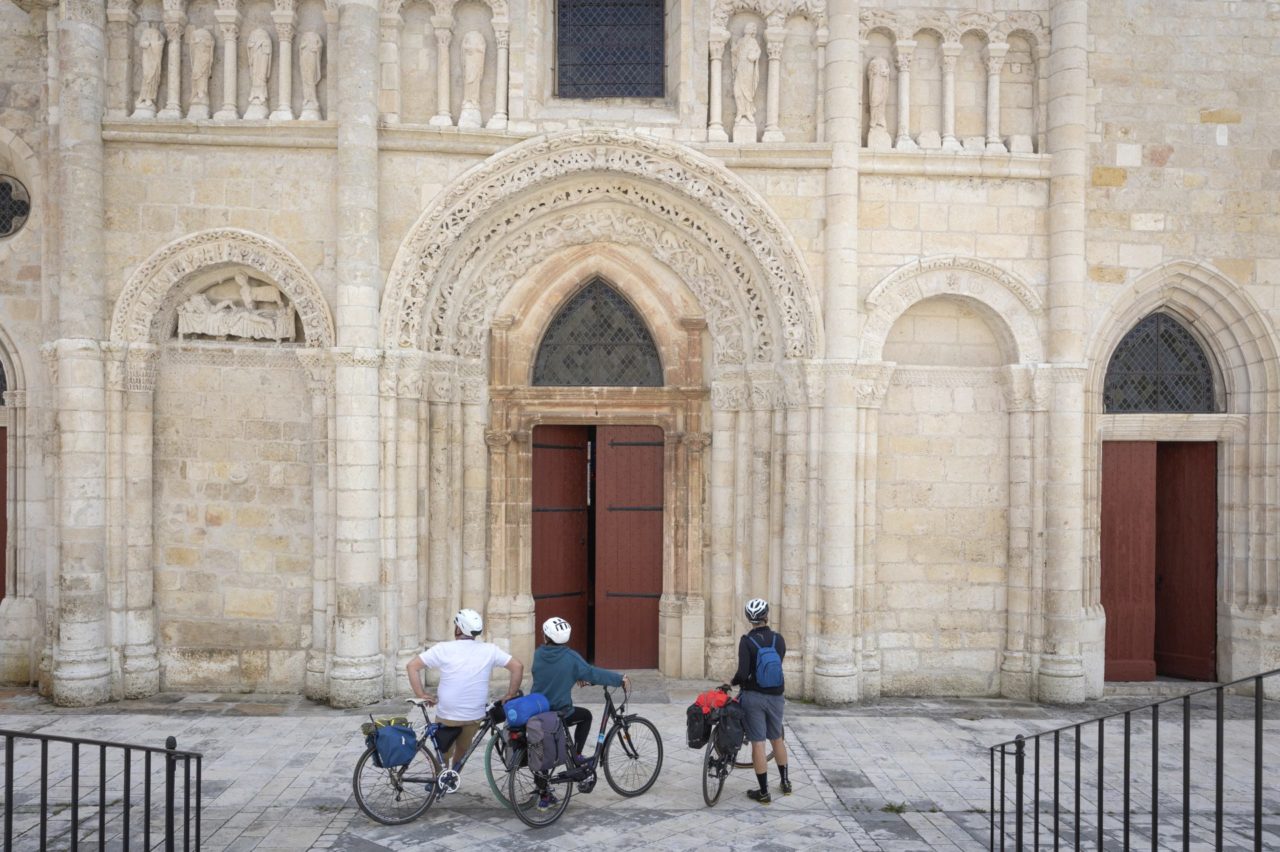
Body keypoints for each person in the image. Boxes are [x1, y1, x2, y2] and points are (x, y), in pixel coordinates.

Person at [406, 608, 524, 769]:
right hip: (474, 714)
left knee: (443, 750)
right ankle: (454, 774)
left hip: (448, 713)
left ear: (458, 628)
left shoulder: (443, 648)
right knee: (463, 748)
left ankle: (442, 775)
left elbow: (412, 666)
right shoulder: (490, 650)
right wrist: (510, 694)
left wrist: (421, 694)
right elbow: (517, 666)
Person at [532, 617, 631, 762]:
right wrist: (619, 679)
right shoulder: (570, 658)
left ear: (546, 636)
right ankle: (576, 756)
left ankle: (542, 782)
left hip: (538, 708)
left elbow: (551, 672)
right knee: (586, 716)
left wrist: (573, 675)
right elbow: (592, 673)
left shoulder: (539, 653)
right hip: (559, 710)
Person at [731, 597, 791, 803]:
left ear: (749, 618)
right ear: (767, 615)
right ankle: (785, 782)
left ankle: (764, 792)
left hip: (754, 697)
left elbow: (743, 672)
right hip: (776, 696)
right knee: (777, 739)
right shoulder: (779, 639)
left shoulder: (747, 641)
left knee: (758, 743)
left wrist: (733, 682)